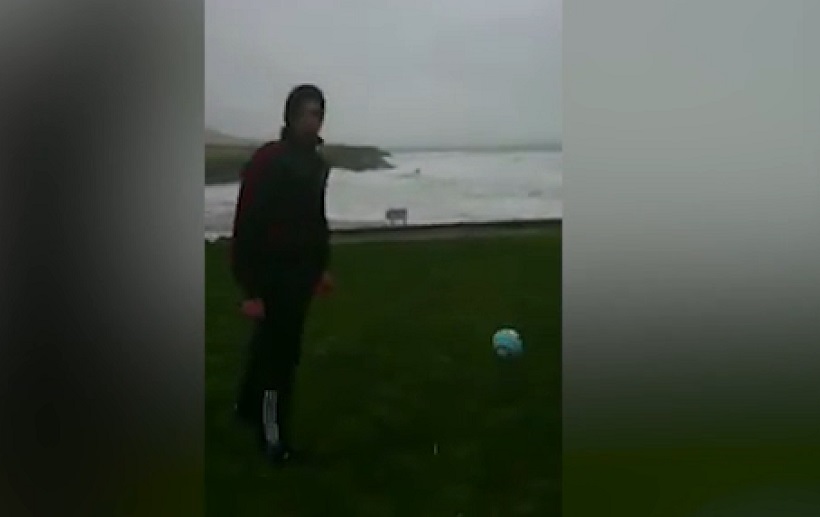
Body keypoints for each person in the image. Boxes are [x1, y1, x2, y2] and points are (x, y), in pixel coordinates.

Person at [230, 84, 334, 465]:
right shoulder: (269, 160)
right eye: (308, 113)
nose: (314, 121)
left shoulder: (317, 165)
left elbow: (316, 220)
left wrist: (321, 267)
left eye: (319, 114)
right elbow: (247, 223)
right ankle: (273, 438)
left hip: (301, 273)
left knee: (276, 347)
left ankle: (247, 408)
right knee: (278, 357)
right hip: (270, 273)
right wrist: (251, 289)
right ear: (291, 116)